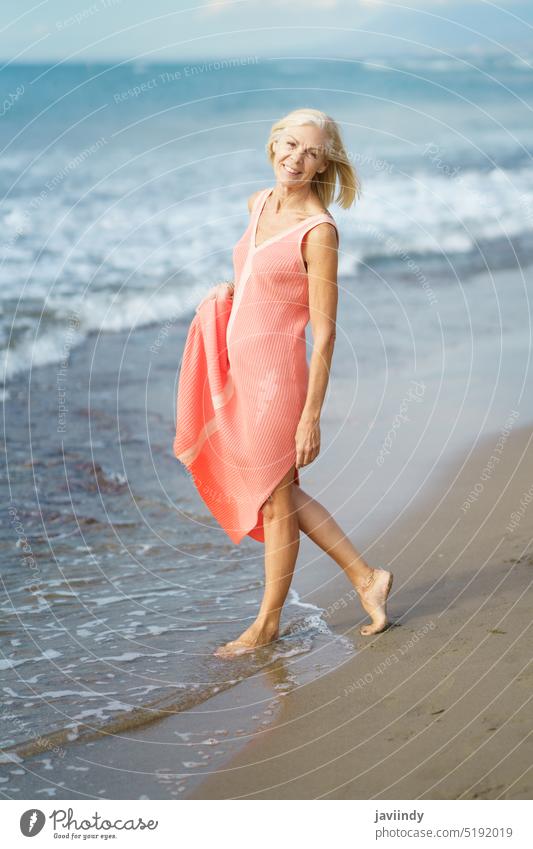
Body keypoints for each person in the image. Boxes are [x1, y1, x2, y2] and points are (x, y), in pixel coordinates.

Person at [175, 108, 393, 658]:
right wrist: (227, 294)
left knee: (277, 499)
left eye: (311, 151)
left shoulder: (319, 231)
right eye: (290, 145)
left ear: (325, 163)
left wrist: (310, 416)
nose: (296, 158)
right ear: (273, 144)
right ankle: (367, 577)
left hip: (277, 382)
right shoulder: (258, 203)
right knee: (283, 497)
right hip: (237, 371)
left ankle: (267, 624)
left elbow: (323, 335)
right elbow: (255, 278)